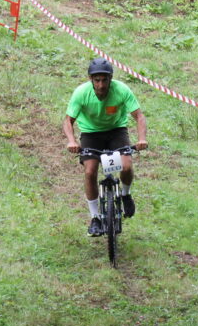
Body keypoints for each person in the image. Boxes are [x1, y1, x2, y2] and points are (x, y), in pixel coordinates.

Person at [63, 58, 148, 236]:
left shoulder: (121, 90)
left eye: (104, 80)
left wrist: (142, 139)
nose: (101, 85)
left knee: (126, 165)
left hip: (116, 131)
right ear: (91, 80)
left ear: (111, 79)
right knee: (90, 171)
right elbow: (68, 121)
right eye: (97, 80)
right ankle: (95, 217)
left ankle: (125, 194)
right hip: (91, 134)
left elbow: (139, 116)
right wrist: (72, 141)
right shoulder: (81, 93)